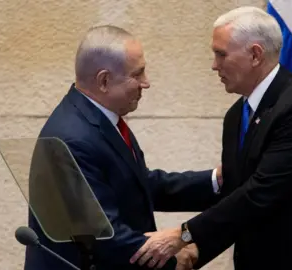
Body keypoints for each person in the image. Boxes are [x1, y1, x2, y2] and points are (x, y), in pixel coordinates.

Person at [130, 6, 292, 270]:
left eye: (220, 54)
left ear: (255, 55)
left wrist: (183, 234)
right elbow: (237, 196)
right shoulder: (236, 116)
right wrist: (197, 252)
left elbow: (260, 194)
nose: (214, 65)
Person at [24, 25, 222, 270]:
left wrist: (215, 181)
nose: (145, 83)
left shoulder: (100, 119)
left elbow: (139, 184)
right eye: (137, 75)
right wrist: (172, 260)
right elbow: (104, 235)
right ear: (104, 80)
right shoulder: (73, 138)